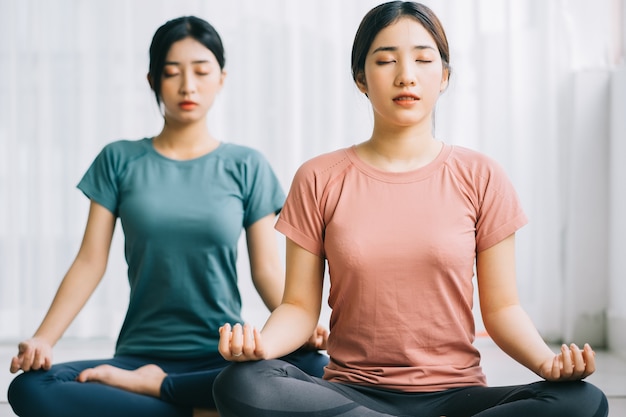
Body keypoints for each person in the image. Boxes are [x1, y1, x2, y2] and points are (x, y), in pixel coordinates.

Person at [211, 2, 609, 416]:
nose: (406, 75)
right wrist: (260, 347)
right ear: (361, 79)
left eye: (423, 59)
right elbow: (297, 307)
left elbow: (503, 308)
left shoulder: (481, 175)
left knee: (582, 400)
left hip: (457, 398)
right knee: (242, 382)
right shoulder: (318, 177)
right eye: (386, 60)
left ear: (445, 76)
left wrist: (547, 364)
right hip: (352, 393)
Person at [7, 15, 329, 417]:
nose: (187, 86)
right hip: (137, 357)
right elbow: (90, 261)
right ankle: (203, 408)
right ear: (152, 80)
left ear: (221, 78)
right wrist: (43, 339)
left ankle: (161, 392)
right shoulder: (119, 160)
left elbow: (265, 270)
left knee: (316, 368)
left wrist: (297, 327)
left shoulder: (247, 165)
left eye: (200, 71)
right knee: (32, 387)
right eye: (172, 72)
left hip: (223, 355)